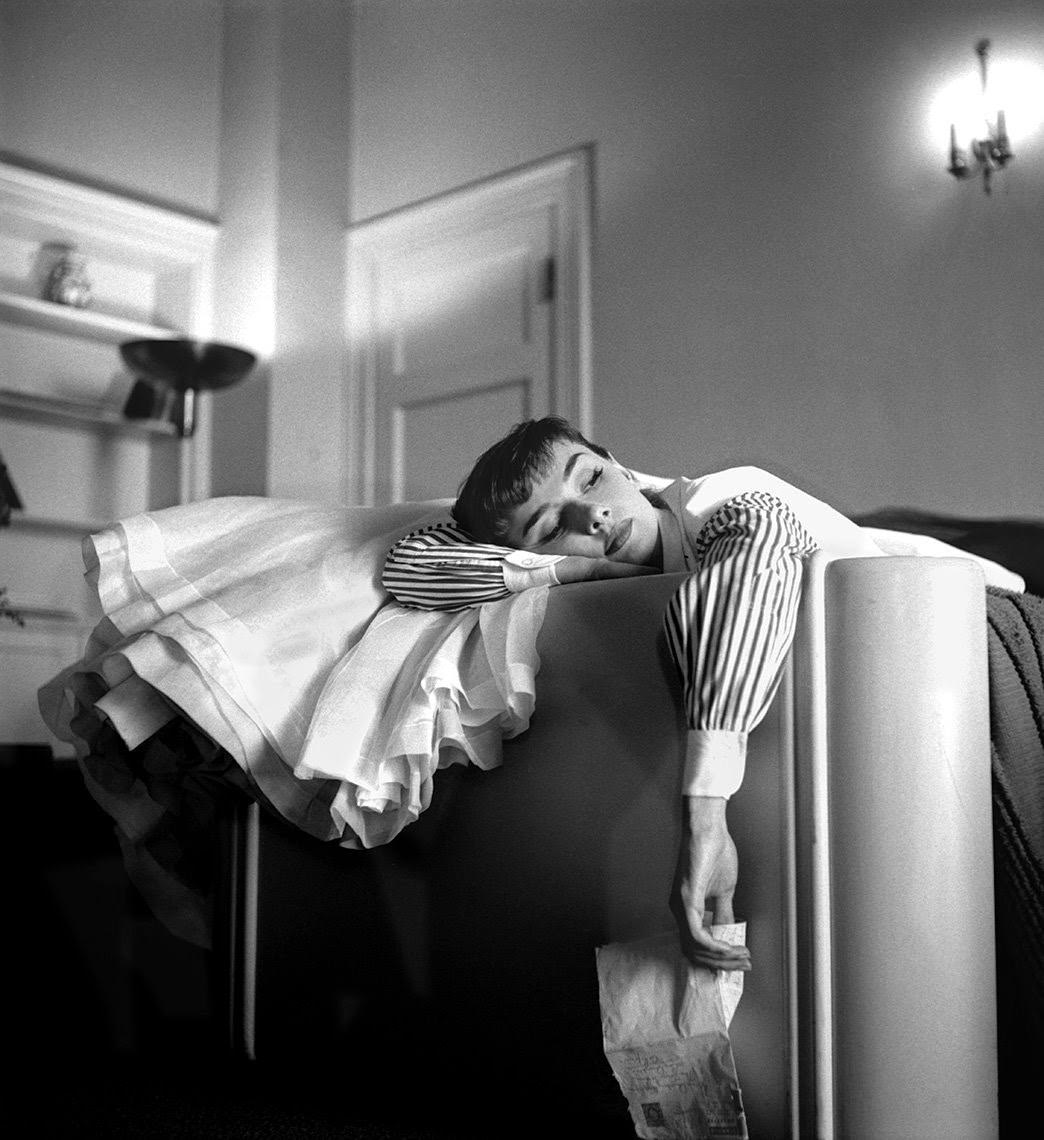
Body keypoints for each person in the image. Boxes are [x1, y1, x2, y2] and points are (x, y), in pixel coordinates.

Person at [379, 416, 1016, 973]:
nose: (591, 516)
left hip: (965, 625)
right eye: (551, 528)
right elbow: (407, 566)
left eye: (593, 480)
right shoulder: (595, 584)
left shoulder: (731, 500)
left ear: (620, 467)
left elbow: (747, 573)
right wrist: (578, 568)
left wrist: (705, 816)